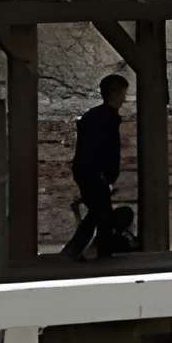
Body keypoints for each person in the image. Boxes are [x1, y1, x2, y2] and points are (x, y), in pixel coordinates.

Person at [64, 73, 133, 260]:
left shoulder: (97, 117)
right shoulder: (103, 119)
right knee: (100, 215)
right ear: (114, 93)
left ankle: (89, 251)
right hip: (93, 173)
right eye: (122, 94)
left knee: (99, 214)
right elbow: (99, 149)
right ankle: (89, 252)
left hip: (91, 173)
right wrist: (103, 175)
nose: (124, 98)